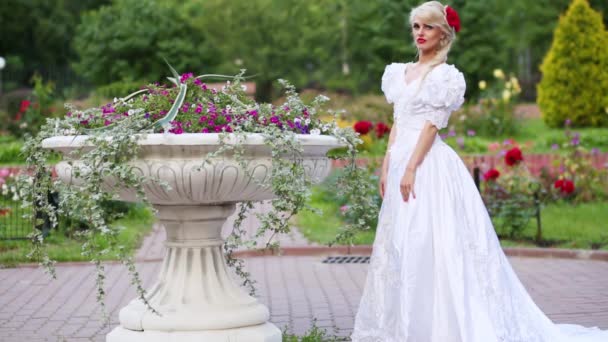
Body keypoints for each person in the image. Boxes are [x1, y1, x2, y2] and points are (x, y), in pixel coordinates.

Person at [350, 2, 608, 341]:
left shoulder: (445, 76)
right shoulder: (400, 72)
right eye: (416, 27)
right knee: (402, 244)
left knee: (434, 242)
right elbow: (398, 123)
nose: (420, 33)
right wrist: (387, 167)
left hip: (428, 166)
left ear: (442, 32)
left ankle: (444, 325)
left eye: (428, 27)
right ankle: (407, 326)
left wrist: (411, 167)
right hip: (400, 163)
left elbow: (431, 126)